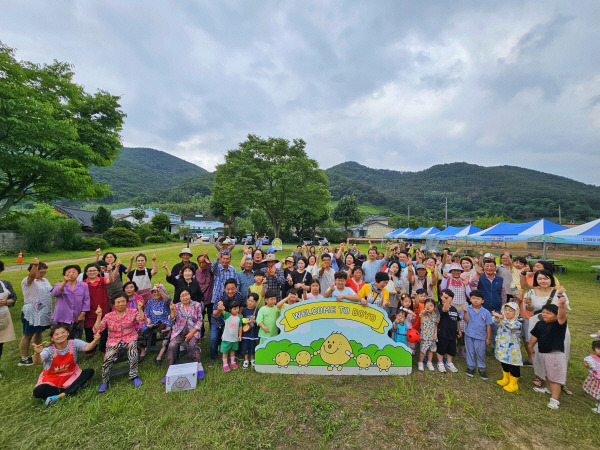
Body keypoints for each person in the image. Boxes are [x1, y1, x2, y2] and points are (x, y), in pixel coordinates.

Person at [524, 271, 572, 394]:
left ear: (551, 279)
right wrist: (528, 306)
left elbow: (565, 308)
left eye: (546, 278)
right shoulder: (530, 292)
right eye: (540, 279)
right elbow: (528, 310)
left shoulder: (558, 292)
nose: (543, 281)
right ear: (536, 280)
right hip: (538, 324)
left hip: (556, 328)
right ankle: (540, 376)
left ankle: (560, 381)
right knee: (538, 350)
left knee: (560, 351)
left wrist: (561, 296)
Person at [32, 323, 98, 406]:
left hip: (71, 376)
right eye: (56, 334)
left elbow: (87, 347)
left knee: (89, 371)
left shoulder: (74, 343)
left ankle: (59, 395)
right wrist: (36, 353)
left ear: (68, 333)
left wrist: (95, 341)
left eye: (63, 332)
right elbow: (38, 362)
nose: (60, 335)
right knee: (38, 391)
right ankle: (73, 388)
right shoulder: (49, 350)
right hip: (52, 380)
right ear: (52, 338)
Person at [93, 296, 145, 392]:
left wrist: (140, 309)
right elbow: (97, 329)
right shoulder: (108, 316)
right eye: (118, 302)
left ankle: (134, 376)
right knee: (107, 358)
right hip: (113, 340)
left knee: (133, 353)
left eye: (123, 301)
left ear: (126, 302)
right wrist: (99, 316)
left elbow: (142, 321)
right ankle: (105, 381)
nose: (121, 304)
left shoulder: (132, 312)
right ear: (114, 304)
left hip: (130, 337)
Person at [528, 297, 569, 409]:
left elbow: (562, 316)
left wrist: (561, 305)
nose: (545, 314)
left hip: (554, 355)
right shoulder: (540, 324)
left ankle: (555, 399)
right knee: (547, 373)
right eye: (544, 312)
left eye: (548, 313)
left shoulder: (558, 324)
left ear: (556, 315)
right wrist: (530, 346)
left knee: (555, 377)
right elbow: (534, 336)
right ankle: (548, 389)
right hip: (542, 353)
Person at [164, 289, 204, 381]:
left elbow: (200, 321)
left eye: (187, 294)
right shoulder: (177, 306)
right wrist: (173, 311)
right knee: (172, 345)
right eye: (183, 295)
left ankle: (198, 366)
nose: (185, 297)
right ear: (179, 298)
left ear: (190, 295)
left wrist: (191, 333)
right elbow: (170, 320)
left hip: (193, 330)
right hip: (179, 331)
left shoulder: (196, 305)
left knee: (192, 345)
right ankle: (169, 370)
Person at [19, 258, 52, 366]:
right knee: (28, 334)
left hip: (42, 312)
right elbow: (32, 276)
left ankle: (38, 352)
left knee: (38, 332)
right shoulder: (28, 281)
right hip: (31, 312)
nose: (42, 274)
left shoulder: (45, 280)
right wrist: (35, 265)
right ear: (33, 270)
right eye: (40, 272)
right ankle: (24, 358)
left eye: (44, 272)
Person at [471, 259, 506, 348]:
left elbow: (503, 294)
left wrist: (503, 308)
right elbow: (473, 285)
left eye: (491, 266)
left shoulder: (500, 279)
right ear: (483, 267)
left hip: (496, 308)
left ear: (495, 268)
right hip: (482, 308)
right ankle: (482, 347)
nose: (489, 268)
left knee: (496, 329)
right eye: (487, 266)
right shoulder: (480, 277)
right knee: (482, 329)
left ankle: (495, 348)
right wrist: (477, 275)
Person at [82, 262, 114, 356]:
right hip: (88, 310)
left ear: (98, 272)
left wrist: (110, 271)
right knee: (88, 330)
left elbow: (111, 281)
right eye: (89, 271)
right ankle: (91, 348)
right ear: (86, 273)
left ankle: (103, 347)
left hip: (103, 309)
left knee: (103, 331)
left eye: (94, 270)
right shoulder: (83, 283)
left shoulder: (102, 280)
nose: (92, 272)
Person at [210, 278, 245, 365]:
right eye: (228, 289)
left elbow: (241, 305)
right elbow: (214, 314)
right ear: (225, 289)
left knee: (235, 335)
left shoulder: (240, 296)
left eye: (232, 289)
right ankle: (213, 357)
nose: (230, 291)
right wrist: (219, 309)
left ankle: (236, 352)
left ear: (236, 288)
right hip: (218, 320)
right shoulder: (220, 296)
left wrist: (239, 313)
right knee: (213, 338)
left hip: (232, 320)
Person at [440, 263, 470, 357]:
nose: (456, 272)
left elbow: (469, 294)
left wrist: (467, 285)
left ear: (461, 272)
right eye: (454, 271)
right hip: (451, 306)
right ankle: (449, 346)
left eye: (458, 271)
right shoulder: (448, 280)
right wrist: (444, 279)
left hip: (462, 307)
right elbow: (442, 289)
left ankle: (461, 347)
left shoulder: (464, 281)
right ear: (451, 272)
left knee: (463, 328)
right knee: (451, 327)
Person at [51, 265, 90, 339]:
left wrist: (82, 314)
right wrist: (64, 282)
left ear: (78, 274)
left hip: (77, 317)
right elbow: (55, 293)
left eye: (74, 272)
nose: (71, 274)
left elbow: (86, 300)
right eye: (68, 272)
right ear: (64, 274)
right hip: (61, 317)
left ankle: (74, 350)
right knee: (61, 338)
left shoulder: (84, 285)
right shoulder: (59, 285)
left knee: (76, 338)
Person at [461, 290, 493, 380]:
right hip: (469, 334)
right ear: (470, 299)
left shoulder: (486, 312)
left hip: (481, 336)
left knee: (480, 352)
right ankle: (470, 367)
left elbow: (488, 325)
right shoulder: (467, 309)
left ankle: (481, 368)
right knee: (470, 351)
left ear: (482, 301)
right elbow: (466, 320)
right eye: (473, 298)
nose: (475, 300)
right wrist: (465, 312)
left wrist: (488, 338)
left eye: (478, 299)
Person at [493, 302, 522, 393]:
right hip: (502, 347)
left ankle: (514, 384)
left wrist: (503, 318)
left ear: (516, 312)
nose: (507, 312)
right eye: (505, 310)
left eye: (510, 311)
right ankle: (506, 378)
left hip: (513, 349)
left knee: (514, 365)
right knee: (504, 362)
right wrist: (497, 318)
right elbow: (497, 323)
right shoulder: (503, 320)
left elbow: (510, 326)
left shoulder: (517, 323)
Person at [140, 284, 171, 363]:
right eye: (154, 292)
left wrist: (160, 291)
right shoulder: (150, 301)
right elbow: (147, 313)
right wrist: (149, 322)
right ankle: (143, 350)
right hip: (153, 321)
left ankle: (159, 356)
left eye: (158, 292)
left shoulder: (165, 299)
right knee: (140, 333)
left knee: (167, 333)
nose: (156, 293)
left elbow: (168, 300)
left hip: (164, 321)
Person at [213, 300, 243, 372]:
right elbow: (221, 310)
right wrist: (220, 304)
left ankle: (233, 362)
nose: (236, 310)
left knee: (233, 350)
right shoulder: (227, 315)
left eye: (237, 308)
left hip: (235, 338)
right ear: (230, 309)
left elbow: (240, 326)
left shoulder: (239, 316)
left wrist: (240, 335)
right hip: (226, 338)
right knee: (225, 351)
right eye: (234, 309)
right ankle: (225, 364)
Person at [436, 289, 461, 373]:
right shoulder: (439, 307)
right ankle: (440, 362)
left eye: (449, 297)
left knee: (451, 348)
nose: (447, 298)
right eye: (445, 297)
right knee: (441, 348)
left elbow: (457, 320)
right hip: (442, 332)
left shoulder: (454, 309)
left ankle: (449, 362)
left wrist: (459, 330)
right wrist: (447, 301)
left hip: (452, 333)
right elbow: (445, 310)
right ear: (441, 297)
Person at [0, 260, 17, 376]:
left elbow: (13, 299)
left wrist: (6, 301)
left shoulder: (5, 284)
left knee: (0, 343)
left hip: (3, 317)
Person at [195, 252, 214, 338]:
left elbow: (211, 268)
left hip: (210, 299)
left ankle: (213, 335)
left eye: (204, 262)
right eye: (200, 262)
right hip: (200, 299)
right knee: (200, 317)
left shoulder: (211, 271)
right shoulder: (197, 272)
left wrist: (208, 261)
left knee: (211, 318)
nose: (202, 264)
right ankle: (201, 333)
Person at [417, 299, 439, 372]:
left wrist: (435, 334)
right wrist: (426, 310)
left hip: (432, 336)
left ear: (434, 308)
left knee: (431, 350)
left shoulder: (435, 315)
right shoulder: (423, 313)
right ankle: (420, 362)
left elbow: (435, 325)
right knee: (423, 350)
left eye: (431, 306)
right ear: (424, 305)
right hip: (425, 336)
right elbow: (424, 314)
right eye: (427, 305)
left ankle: (429, 362)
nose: (429, 307)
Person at [241, 293, 260, 369]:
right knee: (245, 345)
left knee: (252, 345)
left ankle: (252, 358)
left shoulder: (257, 310)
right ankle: (246, 360)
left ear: (256, 302)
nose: (250, 302)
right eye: (249, 300)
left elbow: (259, 321)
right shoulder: (244, 310)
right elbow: (241, 319)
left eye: (252, 301)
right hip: (245, 332)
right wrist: (242, 319)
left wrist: (254, 321)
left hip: (253, 332)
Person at [583, 340, 600, 414]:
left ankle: (599, 408)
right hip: (596, 379)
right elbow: (587, 365)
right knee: (597, 394)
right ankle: (598, 405)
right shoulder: (592, 358)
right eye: (598, 349)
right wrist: (587, 365)